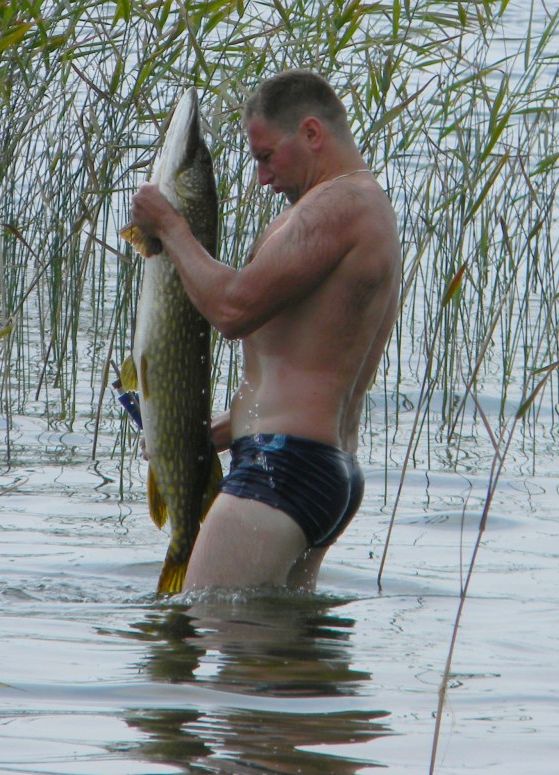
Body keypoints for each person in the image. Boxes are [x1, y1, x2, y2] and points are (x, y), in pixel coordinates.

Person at [130, 70, 401, 591]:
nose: (261, 178)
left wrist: (169, 225)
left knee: (201, 629)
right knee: (284, 662)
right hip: (324, 470)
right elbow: (312, 371)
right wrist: (207, 434)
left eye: (265, 156)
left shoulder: (340, 207)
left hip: (283, 469)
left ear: (312, 134)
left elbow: (233, 309)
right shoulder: (366, 209)